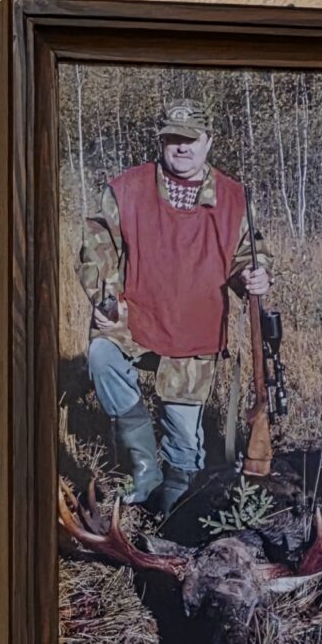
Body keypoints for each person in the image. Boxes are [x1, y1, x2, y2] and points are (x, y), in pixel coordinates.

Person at [77, 99, 271, 514]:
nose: (181, 147)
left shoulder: (234, 198)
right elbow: (97, 246)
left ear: (208, 142)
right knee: (101, 354)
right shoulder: (127, 188)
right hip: (136, 316)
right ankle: (144, 467)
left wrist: (255, 276)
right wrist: (105, 299)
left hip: (195, 329)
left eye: (190, 139)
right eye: (172, 139)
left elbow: (250, 254)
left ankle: (177, 507)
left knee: (184, 445)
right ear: (160, 142)